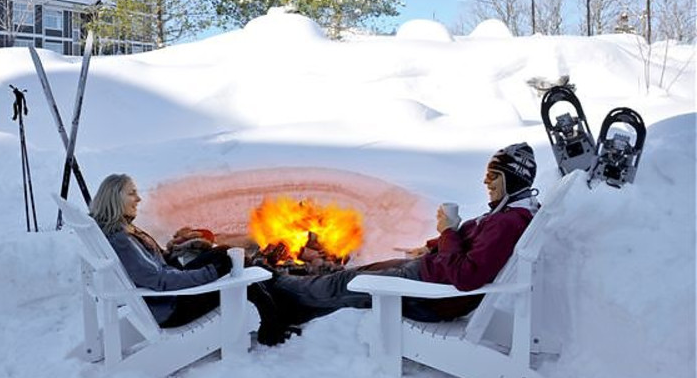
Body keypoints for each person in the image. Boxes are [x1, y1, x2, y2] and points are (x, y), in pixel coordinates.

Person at [267, 143, 540, 326]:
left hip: (430, 294)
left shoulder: (507, 223)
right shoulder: (508, 214)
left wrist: (446, 231)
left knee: (346, 283)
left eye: (493, 175)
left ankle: (273, 284)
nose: (486, 182)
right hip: (430, 274)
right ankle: (293, 305)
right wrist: (433, 246)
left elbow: (466, 276)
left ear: (512, 179)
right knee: (358, 272)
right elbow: (469, 244)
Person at [90, 173, 293, 344]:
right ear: (115, 198)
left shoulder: (121, 229)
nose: (139, 199)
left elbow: (154, 266)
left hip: (167, 295)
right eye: (132, 193)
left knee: (225, 252)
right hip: (172, 307)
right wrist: (210, 273)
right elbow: (158, 280)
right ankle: (274, 321)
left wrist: (176, 252)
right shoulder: (121, 239)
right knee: (231, 265)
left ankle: (273, 311)